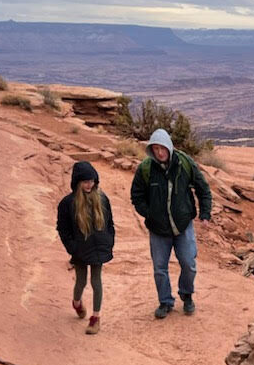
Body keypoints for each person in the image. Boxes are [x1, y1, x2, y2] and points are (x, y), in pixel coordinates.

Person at [130, 128, 212, 319]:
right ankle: (165, 302)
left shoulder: (184, 163)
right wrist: (150, 214)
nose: (159, 152)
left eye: (162, 148)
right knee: (160, 268)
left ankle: (187, 294)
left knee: (189, 264)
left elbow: (203, 188)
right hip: (158, 229)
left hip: (183, 225)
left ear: (169, 146)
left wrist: (205, 214)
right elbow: (136, 196)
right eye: (155, 148)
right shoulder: (146, 169)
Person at [56, 161, 115, 335]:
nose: (89, 185)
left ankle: (95, 318)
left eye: (92, 181)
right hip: (80, 250)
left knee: (96, 281)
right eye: (85, 182)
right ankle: (76, 302)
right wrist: (72, 248)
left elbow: (109, 222)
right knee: (81, 281)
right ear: (78, 182)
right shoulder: (68, 203)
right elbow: (63, 228)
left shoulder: (102, 199)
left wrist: (109, 241)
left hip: (99, 248)